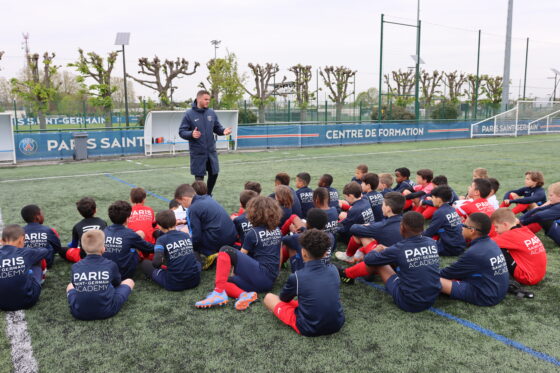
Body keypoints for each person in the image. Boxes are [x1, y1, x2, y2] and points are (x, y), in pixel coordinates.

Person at [195, 196, 283, 311]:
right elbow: (279, 254)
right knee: (223, 282)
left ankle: (218, 293)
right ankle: (244, 295)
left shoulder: (253, 233)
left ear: (254, 213)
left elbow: (239, 260)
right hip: (269, 281)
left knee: (226, 250)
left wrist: (233, 274)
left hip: (259, 275)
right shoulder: (277, 230)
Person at [341, 212, 441, 313]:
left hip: (408, 302)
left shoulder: (399, 248)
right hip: (432, 298)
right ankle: (353, 272)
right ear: (422, 228)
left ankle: (346, 274)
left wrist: (378, 249)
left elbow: (369, 259)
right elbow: (408, 253)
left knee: (378, 263)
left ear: (401, 228)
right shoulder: (431, 242)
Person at [264, 229, 345, 336]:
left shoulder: (297, 276)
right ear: (326, 253)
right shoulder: (334, 269)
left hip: (309, 328)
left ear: (303, 252)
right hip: (338, 323)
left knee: (269, 297)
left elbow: (284, 299)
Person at [440, 213, 509, 307]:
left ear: (472, 231)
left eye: (464, 225)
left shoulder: (475, 252)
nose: (461, 227)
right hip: (497, 290)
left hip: (486, 296)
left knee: (433, 279)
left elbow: (447, 273)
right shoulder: (491, 243)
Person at [67, 229, 135, 320]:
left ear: (82, 247)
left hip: (79, 313)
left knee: (70, 285)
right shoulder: (111, 264)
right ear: (103, 248)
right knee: (129, 281)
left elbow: (75, 286)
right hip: (107, 311)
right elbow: (117, 283)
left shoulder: (75, 266)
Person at [178, 89, 232, 196]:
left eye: (209, 99)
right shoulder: (189, 114)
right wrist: (191, 134)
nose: (208, 101)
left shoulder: (211, 113)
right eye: (205, 99)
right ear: (198, 99)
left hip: (211, 152)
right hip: (198, 153)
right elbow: (182, 131)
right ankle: (200, 198)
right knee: (199, 180)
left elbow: (217, 127)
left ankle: (208, 195)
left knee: (214, 173)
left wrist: (223, 131)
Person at [174, 184, 237, 268]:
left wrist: (192, 248)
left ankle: (210, 254)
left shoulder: (193, 208)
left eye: (180, 203)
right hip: (232, 236)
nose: (182, 205)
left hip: (219, 240)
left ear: (184, 199)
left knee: (189, 240)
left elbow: (196, 236)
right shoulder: (207, 198)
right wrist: (185, 221)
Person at [336, 192, 404, 268]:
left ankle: (348, 256)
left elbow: (353, 229)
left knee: (359, 234)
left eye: (383, 204)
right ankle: (360, 253)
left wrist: (366, 225)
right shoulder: (406, 221)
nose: (382, 206)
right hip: (403, 258)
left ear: (388, 209)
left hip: (388, 263)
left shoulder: (383, 226)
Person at [140, 210, 201, 291]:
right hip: (195, 281)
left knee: (145, 263)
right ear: (175, 222)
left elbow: (156, 263)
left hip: (174, 284)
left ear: (159, 226)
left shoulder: (161, 240)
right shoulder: (185, 235)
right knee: (195, 253)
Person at [0, 224, 49, 311]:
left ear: (1, 241)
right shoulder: (26, 252)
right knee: (37, 260)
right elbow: (45, 251)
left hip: (1, 304)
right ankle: (40, 279)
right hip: (28, 301)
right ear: (22, 239)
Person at [491, 208, 546, 286]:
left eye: (496, 227)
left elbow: (486, 244)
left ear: (505, 224)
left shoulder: (510, 235)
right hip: (539, 275)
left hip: (527, 277)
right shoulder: (524, 230)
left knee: (494, 249)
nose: (495, 230)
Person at [102, 201, 154, 279]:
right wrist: (162, 246)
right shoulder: (130, 234)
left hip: (105, 272)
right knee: (139, 236)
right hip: (124, 274)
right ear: (127, 218)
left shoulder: (104, 231)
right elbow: (150, 248)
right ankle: (145, 260)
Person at [283, 208, 336, 272]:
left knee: (291, 245)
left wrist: (293, 231)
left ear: (307, 223)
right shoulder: (331, 236)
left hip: (304, 273)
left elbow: (284, 240)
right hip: (322, 269)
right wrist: (303, 230)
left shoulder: (299, 237)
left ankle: (290, 268)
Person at [422, 186, 466, 256]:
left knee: (420, 245)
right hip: (460, 246)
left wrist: (416, 236)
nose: (432, 200)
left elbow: (429, 233)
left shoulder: (440, 212)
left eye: (433, 197)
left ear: (439, 200)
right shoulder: (451, 209)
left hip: (450, 249)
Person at [62, 197, 107, 263]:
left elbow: (74, 245)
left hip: (84, 257)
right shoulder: (103, 223)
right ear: (95, 210)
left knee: (61, 249)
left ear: (80, 212)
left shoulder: (77, 226)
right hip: (102, 255)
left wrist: (70, 245)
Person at [21, 204, 61, 268]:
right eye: (42, 214)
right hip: (46, 263)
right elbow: (57, 247)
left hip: (26, 263)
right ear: (38, 216)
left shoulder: (20, 231)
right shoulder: (48, 230)